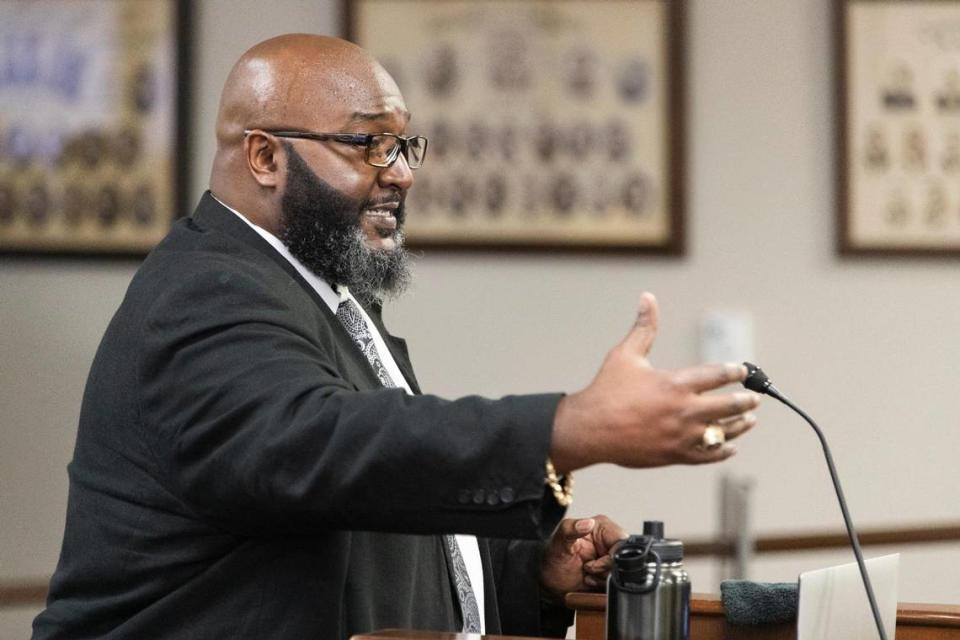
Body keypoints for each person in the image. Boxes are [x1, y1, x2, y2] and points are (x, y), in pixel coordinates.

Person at [32, 35, 759, 639]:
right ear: (264, 157)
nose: (403, 174)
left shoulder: (324, 296)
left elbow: (376, 512)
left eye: (405, 144)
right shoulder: (203, 295)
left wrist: (530, 575)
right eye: (367, 143)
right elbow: (328, 448)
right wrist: (569, 426)